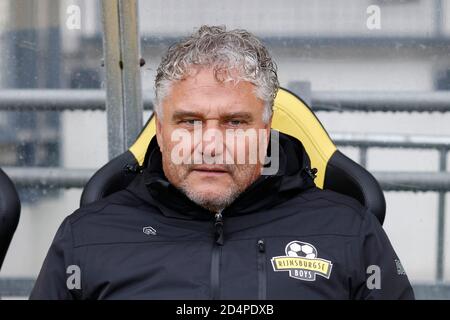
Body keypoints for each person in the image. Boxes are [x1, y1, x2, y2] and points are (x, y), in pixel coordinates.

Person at [30, 25, 414, 300]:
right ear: (161, 133)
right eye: (189, 122)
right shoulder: (86, 236)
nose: (211, 144)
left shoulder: (348, 231)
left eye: (235, 123)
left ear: (266, 132)